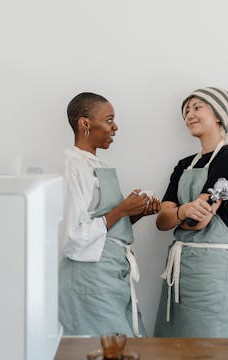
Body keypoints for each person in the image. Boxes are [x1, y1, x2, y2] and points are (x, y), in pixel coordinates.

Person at [59, 92, 160, 337]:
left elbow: (107, 224)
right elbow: (71, 237)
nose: (115, 127)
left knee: (125, 345)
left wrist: (136, 212)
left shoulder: (98, 166)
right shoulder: (72, 166)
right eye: (109, 120)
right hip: (89, 278)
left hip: (111, 275)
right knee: (103, 348)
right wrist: (122, 209)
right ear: (85, 123)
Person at [154, 87, 228, 337]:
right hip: (180, 271)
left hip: (211, 274)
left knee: (211, 345)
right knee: (172, 346)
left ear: (218, 115)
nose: (189, 115)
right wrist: (184, 210)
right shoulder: (184, 165)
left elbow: (199, 221)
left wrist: (179, 213)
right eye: (186, 111)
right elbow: (161, 221)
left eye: (197, 107)